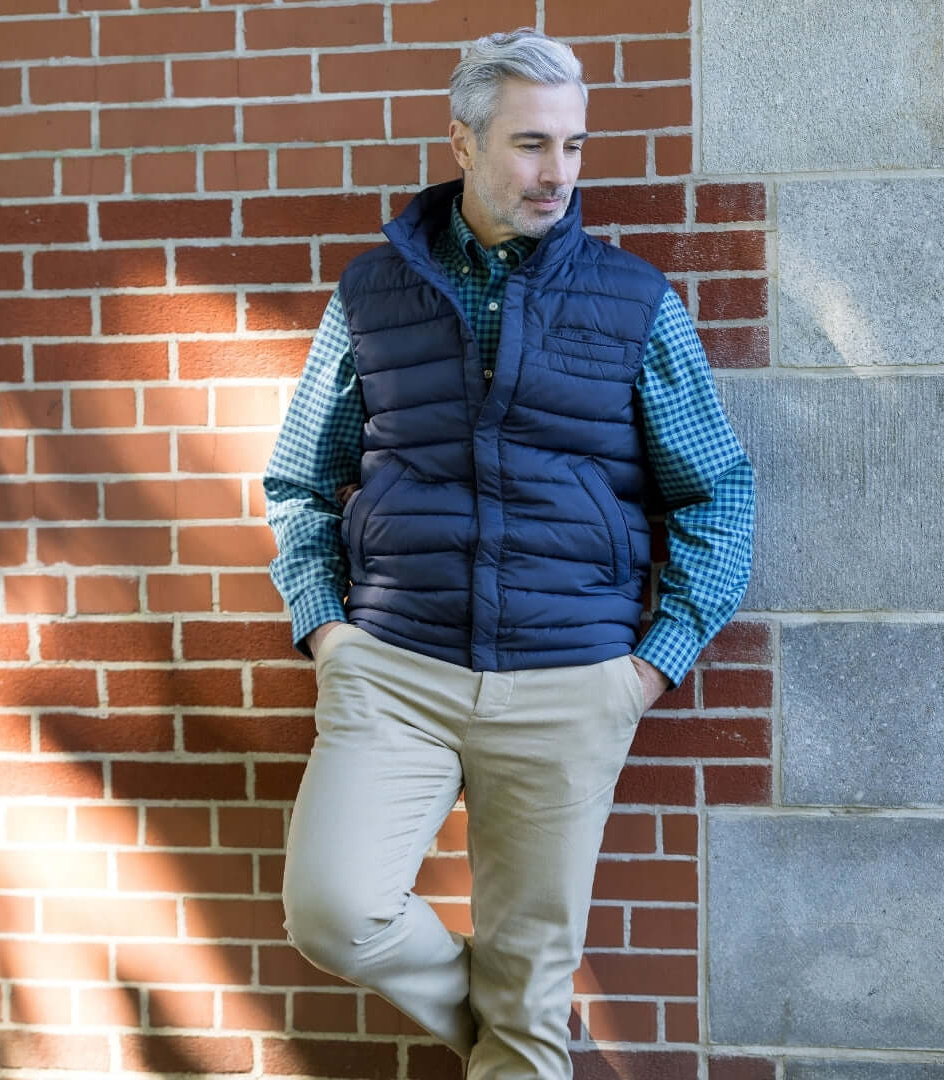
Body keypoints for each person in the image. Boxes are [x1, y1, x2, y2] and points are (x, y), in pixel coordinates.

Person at [263, 28, 754, 1080]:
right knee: (334, 910)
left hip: (572, 677)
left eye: (574, 146)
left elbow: (717, 489)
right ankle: (510, 1014)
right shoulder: (370, 294)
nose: (559, 173)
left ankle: (520, 1023)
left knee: (532, 1009)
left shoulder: (635, 301)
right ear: (465, 142)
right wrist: (328, 632)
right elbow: (301, 479)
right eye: (532, 144)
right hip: (395, 668)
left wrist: (650, 665)